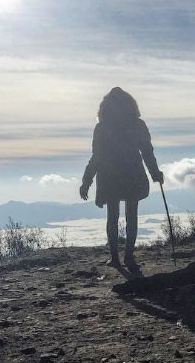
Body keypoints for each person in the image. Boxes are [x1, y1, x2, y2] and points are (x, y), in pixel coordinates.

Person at [79, 87, 163, 275]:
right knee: (131, 214)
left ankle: (115, 258)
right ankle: (129, 256)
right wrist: (155, 172)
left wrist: (87, 181)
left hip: (109, 176)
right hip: (133, 173)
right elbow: (147, 152)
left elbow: (97, 157)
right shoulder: (138, 125)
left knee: (112, 216)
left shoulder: (102, 128)